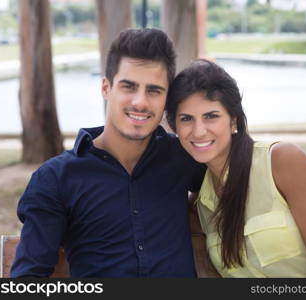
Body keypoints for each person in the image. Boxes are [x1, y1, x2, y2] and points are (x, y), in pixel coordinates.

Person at [10, 28, 206, 277]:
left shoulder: (183, 156)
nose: (140, 102)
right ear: (106, 88)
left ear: (167, 98)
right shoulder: (57, 178)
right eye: (128, 87)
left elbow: (239, 172)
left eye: (154, 91)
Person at [165, 59, 306, 277]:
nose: (198, 131)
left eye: (211, 116)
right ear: (174, 127)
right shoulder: (203, 203)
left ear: (233, 120)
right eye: (186, 119)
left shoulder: (281, 162)